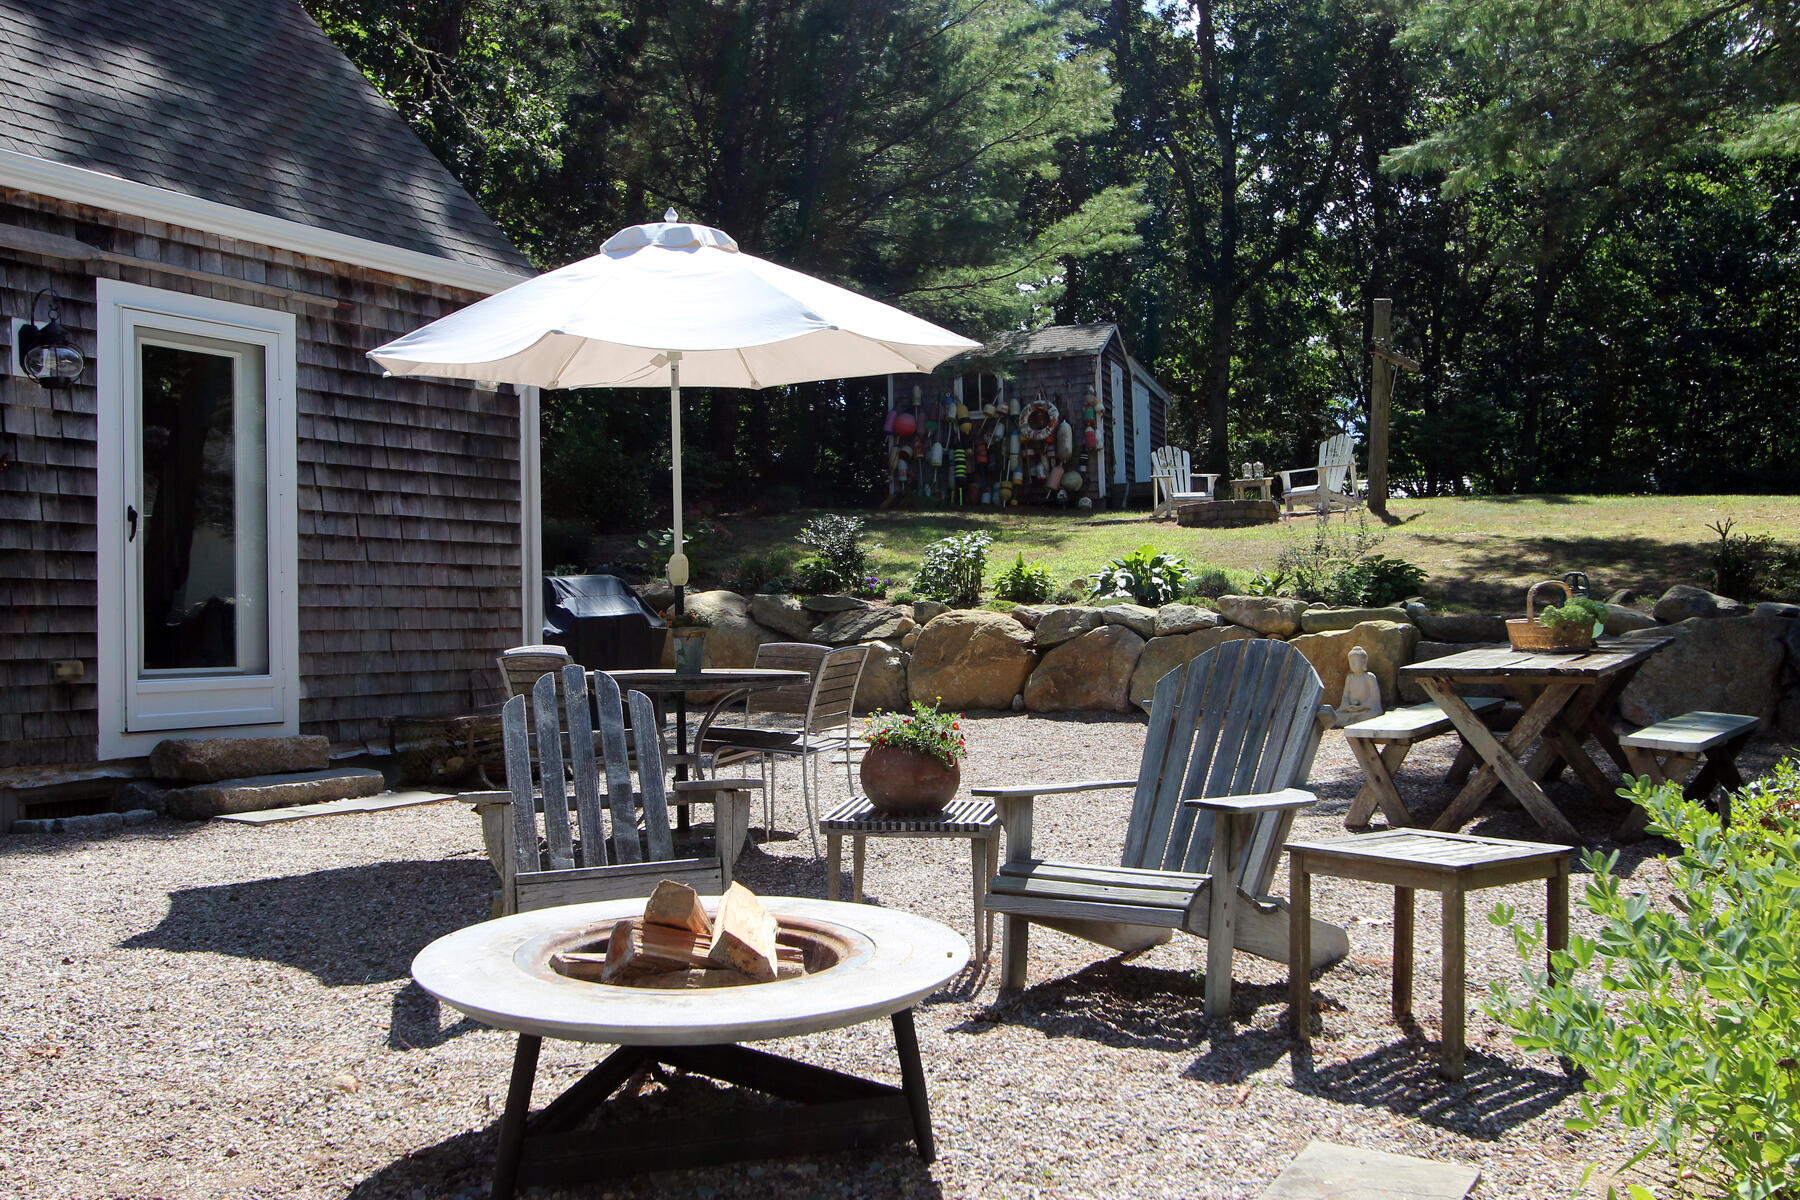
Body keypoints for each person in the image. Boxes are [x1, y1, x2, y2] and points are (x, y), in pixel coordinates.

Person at [1336, 644, 1383, 726]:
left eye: (1355, 662)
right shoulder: (1349, 678)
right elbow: (1345, 696)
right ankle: (1355, 720)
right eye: (1351, 662)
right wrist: (1347, 706)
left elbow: (1375, 698)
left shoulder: (1369, 677)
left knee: (1373, 714)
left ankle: (1352, 721)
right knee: (1336, 716)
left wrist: (1362, 707)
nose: (1353, 665)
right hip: (1352, 710)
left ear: (1363, 662)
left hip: (1366, 710)